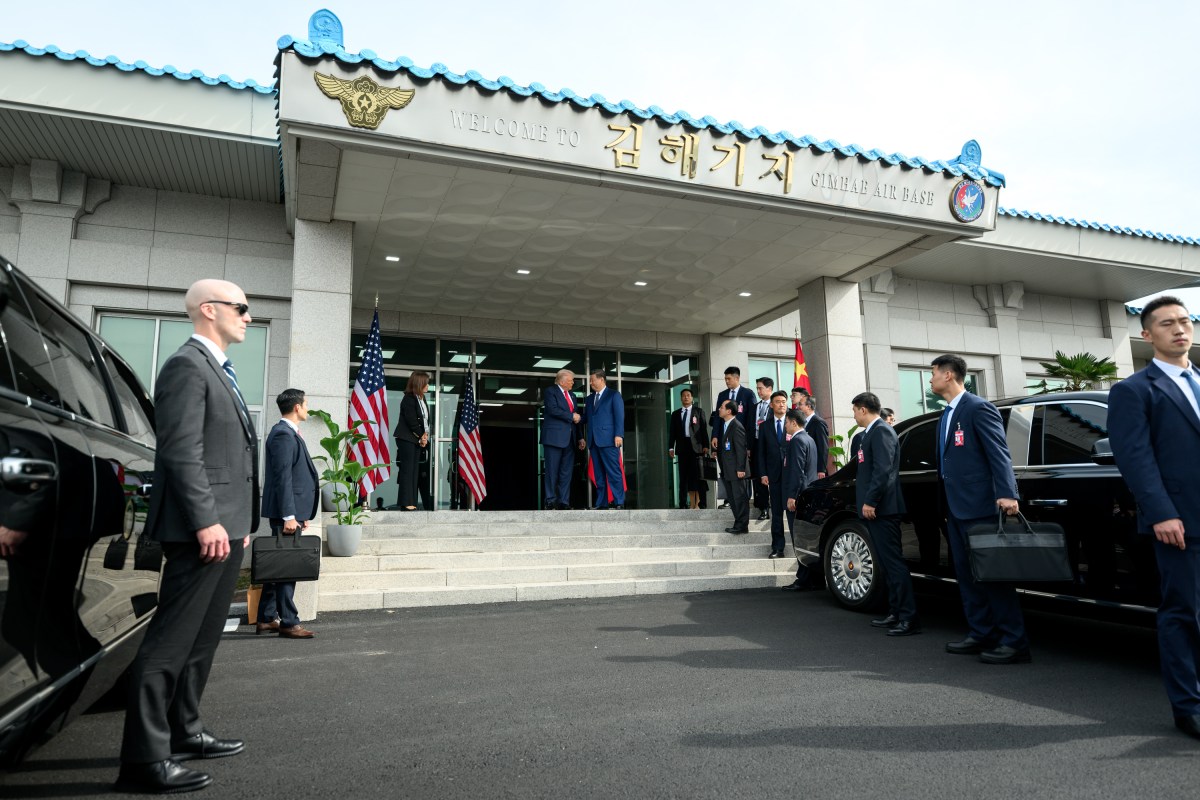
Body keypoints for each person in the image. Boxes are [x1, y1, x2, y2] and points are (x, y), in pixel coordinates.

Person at [116, 279, 259, 794]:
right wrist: (206, 520)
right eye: (240, 308)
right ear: (208, 309)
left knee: (201, 641)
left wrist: (239, 524)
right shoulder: (186, 366)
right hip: (203, 530)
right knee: (170, 643)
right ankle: (143, 759)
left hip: (227, 529)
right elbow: (181, 452)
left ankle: (186, 731)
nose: (247, 316)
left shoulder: (219, 370)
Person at [1107, 295, 1200, 742]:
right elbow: (1135, 458)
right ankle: (1189, 707)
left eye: (1185, 321)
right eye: (1167, 324)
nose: (1179, 329)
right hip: (1180, 522)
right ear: (1147, 335)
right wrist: (1162, 512)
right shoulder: (1134, 389)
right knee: (1183, 614)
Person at [929, 354, 1028, 665]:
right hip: (956, 509)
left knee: (993, 575)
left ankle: (1014, 642)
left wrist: (1007, 493)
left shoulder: (978, 408)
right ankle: (980, 632)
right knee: (967, 575)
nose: (930, 380)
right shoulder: (946, 415)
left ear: (948, 375)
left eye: (933, 374)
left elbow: (999, 452)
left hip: (982, 507)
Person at [853, 392, 919, 636]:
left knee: (894, 563)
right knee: (885, 564)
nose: (854, 415)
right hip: (875, 509)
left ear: (862, 409)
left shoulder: (881, 431)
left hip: (883, 508)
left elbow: (883, 471)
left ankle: (908, 618)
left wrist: (871, 501)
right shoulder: (870, 433)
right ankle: (895, 612)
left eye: (854, 410)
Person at [256, 388, 319, 640]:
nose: (307, 407)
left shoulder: (288, 433)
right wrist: (288, 516)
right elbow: (283, 479)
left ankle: (266, 618)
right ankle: (289, 622)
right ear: (296, 407)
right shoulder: (283, 434)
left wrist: (297, 513)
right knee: (287, 568)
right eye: (305, 404)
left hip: (291, 512)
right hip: (287, 514)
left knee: (278, 565)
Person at [780, 410, 821, 591]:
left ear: (794, 423)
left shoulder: (797, 440)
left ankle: (803, 579)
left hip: (798, 495)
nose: (785, 426)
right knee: (807, 537)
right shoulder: (809, 439)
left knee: (799, 538)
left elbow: (797, 471)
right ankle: (814, 579)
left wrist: (792, 496)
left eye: (786, 423)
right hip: (808, 493)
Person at [711, 367, 756, 508]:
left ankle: (744, 498)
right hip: (724, 439)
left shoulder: (748, 394)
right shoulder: (722, 395)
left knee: (741, 469)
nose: (726, 381)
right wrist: (715, 436)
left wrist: (749, 444)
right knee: (726, 469)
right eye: (725, 379)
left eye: (729, 378)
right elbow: (717, 417)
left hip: (740, 440)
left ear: (737, 378)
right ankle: (728, 499)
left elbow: (751, 420)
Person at [581, 369, 626, 509]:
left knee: (613, 471)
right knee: (599, 474)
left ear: (601, 379)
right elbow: (586, 418)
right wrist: (575, 417)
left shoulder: (614, 395)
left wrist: (619, 434)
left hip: (609, 440)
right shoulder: (589, 399)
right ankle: (602, 503)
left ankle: (619, 502)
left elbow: (619, 416)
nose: (590, 383)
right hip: (594, 441)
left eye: (592, 379)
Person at [754, 390, 790, 557]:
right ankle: (778, 548)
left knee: (793, 513)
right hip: (773, 476)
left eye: (784, 401)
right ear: (771, 405)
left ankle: (799, 547)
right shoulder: (765, 426)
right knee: (776, 514)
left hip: (792, 477)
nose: (781, 404)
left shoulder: (793, 422)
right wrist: (763, 473)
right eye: (778, 401)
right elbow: (760, 452)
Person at [543, 369, 585, 510]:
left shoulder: (572, 395)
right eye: (571, 380)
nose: (573, 382)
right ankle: (550, 500)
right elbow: (552, 409)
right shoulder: (550, 391)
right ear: (562, 381)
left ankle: (564, 502)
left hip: (570, 440)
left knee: (566, 472)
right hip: (554, 438)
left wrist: (580, 437)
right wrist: (571, 416)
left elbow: (576, 418)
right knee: (552, 471)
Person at [394, 371, 431, 512]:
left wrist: (425, 436)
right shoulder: (409, 399)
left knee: (415, 471)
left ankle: (412, 501)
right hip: (406, 439)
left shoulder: (422, 399)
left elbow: (425, 420)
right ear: (418, 384)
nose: (428, 386)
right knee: (407, 470)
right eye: (425, 383)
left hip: (416, 439)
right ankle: (405, 502)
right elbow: (412, 421)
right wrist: (421, 436)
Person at [667, 388, 708, 509]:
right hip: (682, 447)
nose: (686, 397)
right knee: (683, 477)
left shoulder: (699, 411)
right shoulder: (675, 414)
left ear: (692, 398)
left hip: (697, 448)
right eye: (683, 395)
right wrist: (671, 447)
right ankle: (682, 503)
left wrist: (706, 445)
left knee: (699, 476)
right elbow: (672, 432)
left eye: (688, 395)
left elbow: (704, 430)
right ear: (681, 398)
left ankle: (703, 503)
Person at [716, 400, 750, 534]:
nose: (719, 409)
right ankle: (739, 523)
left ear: (729, 411)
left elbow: (741, 449)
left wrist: (741, 469)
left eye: (722, 407)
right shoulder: (725, 425)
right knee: (732, 498)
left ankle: (742, 525)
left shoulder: (736, 426)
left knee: (739, 498)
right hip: (728, 470)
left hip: (737, 471)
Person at [751, 376, 774, 520]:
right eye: (757, 388)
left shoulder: (776, 405)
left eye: (761, 388)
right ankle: (763, 507)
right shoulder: (755, 407)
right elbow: (749, 428)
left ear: (769, 389)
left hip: (772, 446)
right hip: (756, 444)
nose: (758, 391)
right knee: (758, 476)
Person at [797, 393, 830, 479]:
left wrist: (821, 469)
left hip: (815, 470)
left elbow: (823, 447)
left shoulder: (818, 422)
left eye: (800, 404)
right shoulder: (802, 423)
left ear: (808, 406)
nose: (798, 407)